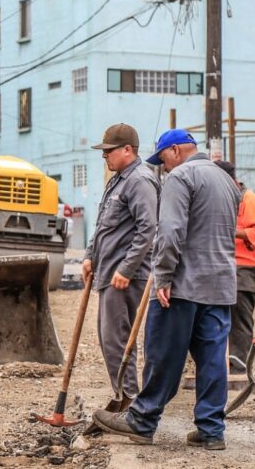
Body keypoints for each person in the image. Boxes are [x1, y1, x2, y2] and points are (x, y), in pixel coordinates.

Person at [93, 129, 240, 451]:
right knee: (213, 360)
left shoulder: (181, 177)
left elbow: (170, 232)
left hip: (183, 285)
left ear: (174, 151)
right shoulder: (226, 181)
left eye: (163, 159)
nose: (164, 166)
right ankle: (212, 430)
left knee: (163, 355)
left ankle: (142, 421)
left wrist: (162, 277)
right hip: (221, 285)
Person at [81, 123, 159, 428]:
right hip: (108, 271)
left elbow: (147, 229)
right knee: (108, 339)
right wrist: (89, 256)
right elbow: (103, 226)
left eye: (109, 152)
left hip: (126, 276)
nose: (105, 158)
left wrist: (126, 269)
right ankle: (123, 396)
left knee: (118, 340)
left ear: (128, 150)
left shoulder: (140, 181)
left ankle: (131, 401)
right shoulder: (118, 181)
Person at [214, 160, 255, 372]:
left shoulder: (249, 199)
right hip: (226, 264)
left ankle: (240, 367)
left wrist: (229, 230)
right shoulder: (225, 198)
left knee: (240, 316)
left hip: (246, 267)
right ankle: (228, 364)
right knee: (222, 316)